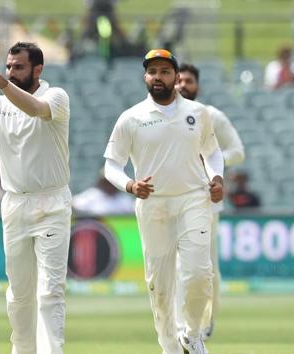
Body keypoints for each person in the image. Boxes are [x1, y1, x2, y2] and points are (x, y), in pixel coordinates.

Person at [103, 49, 224, 354]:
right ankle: (169, 345)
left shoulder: (198, 112)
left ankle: (193, 335)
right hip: (153, 206)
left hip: (193, 200)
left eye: (164, 71)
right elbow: (111, 166)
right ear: (146, 77)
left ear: (175, 76)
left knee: (199, 274)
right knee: (160, 286)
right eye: (152, 72)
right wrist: (130, 184)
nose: (158, 77)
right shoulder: (131, 118)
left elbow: (212, 152)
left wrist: (218, 177)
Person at [0, 39, 71, 354]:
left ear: (38, 69)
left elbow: (37, 110)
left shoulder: (55, 96)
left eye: (19, 67)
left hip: (52, 203)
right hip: (15, 204)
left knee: (49, 292)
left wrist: (0, 82)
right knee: (19, 294)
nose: (12, 72)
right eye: (9, 67)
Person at [176, 62, 246, 340]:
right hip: (171, 200)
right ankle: (181, 326)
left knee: (206, 268)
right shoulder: (161, 117)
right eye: (178, 80)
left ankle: (205, 323)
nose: (182, 85)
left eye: (188, 81)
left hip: (205, 200)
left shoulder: (211, 116)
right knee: (175, 268)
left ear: (198, 86)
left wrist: (210, 162)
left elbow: (237, 151)